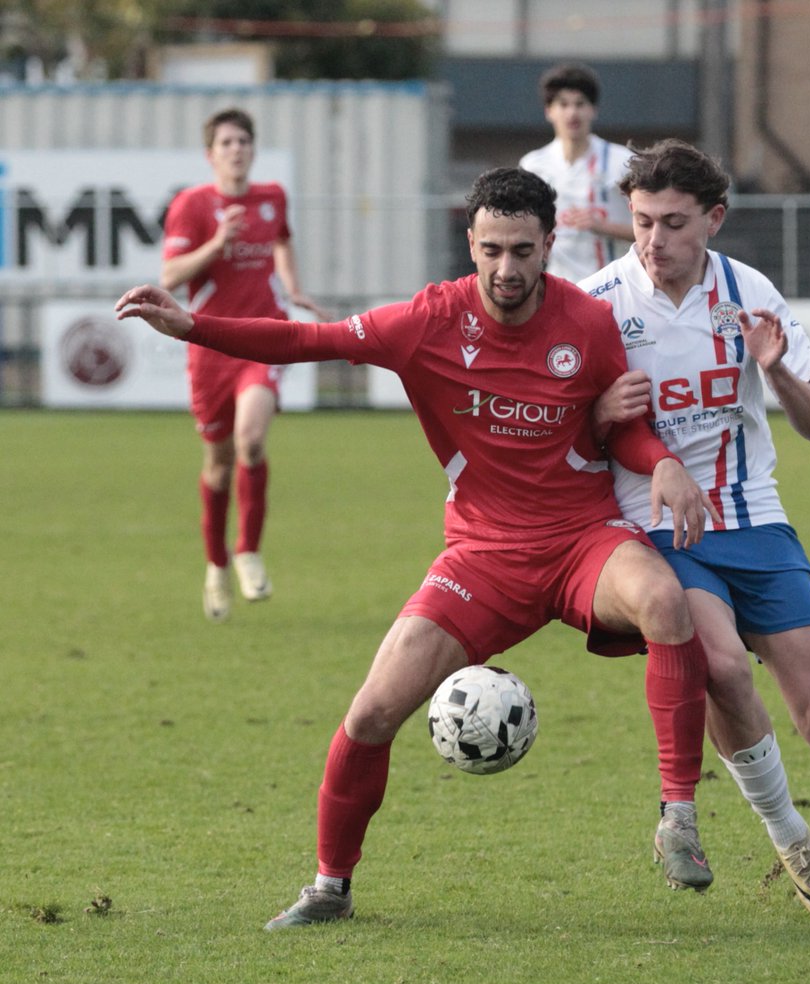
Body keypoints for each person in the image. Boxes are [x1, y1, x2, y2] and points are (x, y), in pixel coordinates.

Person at [117, 167, 720, 930]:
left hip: (581, 541)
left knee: (664, 601)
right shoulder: (429, 321)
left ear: (548, 245)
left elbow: (622, 426)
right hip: (482, 558)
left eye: (523, 251)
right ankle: (330, 887)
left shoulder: (589, 323)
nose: (507, 268)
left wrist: (659, 460)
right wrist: (192, 326)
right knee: (371, 713)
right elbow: (308, 339)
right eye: (492, 250)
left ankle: (678, 818)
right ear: (470, 244)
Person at [580, 140, 810, 925]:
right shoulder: (597, 303)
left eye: (674, 223)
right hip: (661, 531)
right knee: (721, 669)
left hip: (757, 523)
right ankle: (789, 836)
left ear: (713, 219)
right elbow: (562, 431)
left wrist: (775, 371)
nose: (653, 240)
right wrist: (600, 413)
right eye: (641, 222)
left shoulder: (750, 294)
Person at [161, 107, 328, 623]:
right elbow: (169, 276)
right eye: (227, 143)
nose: (237, 149)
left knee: (250, 440)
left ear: (253, 149)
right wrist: (217, 244)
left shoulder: (272, 196)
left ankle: (248, 551)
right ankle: (215, 566)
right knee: (217, 465)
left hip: (263, 336)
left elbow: (283, 240)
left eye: (244, 141)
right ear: (210, 154)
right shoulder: (192, 205)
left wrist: (293, 289)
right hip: (210, 348)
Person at [519, 62, 635, 282]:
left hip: (612, 286)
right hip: (557, 285)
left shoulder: (622, 161)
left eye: (580, 104)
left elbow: (652, 231)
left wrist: (602, 226)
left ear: (593, 110)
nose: (572, 113)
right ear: (549, 111)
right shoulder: (533, 165)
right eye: (563, 104)